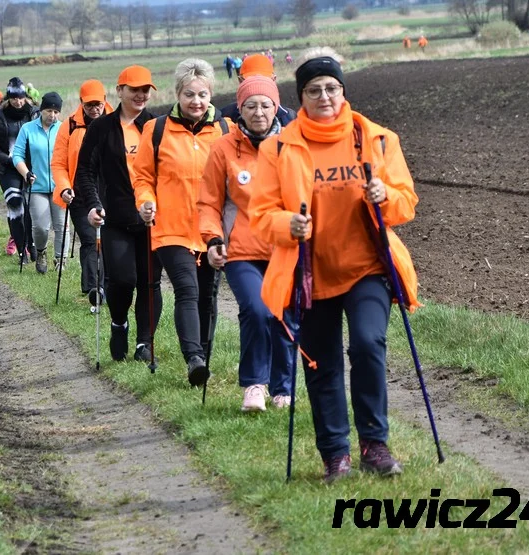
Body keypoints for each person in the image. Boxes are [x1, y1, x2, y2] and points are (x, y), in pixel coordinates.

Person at [249, 48, 420, 482]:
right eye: (314, 90)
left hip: (367, 268)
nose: (324, 96)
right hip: (311, 272)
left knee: (367, 345)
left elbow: (406, 202)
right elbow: (261, 215)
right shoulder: (279, 147)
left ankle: (374, 445)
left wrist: (387, 198)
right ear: (300, 96)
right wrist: (288, 223)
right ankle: (335, 455)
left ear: (343, 90)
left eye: (331, 88)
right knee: (321, 364)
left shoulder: (376, 138)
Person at [133, 58, 233, 386]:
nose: (196, 102)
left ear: (211, 95)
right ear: (178, 94)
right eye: (189, 94)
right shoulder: (157, 129)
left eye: (203, 95)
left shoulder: (225, 130)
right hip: (170, 228)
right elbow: (144, 177)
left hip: (211, 229)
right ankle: (193, 357)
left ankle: (203, 358)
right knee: (186, 289)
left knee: (207, 295)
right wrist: (146, 202)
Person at [198, 75, 293, 412]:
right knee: (256, 310)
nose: (258, 111)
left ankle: (284, 387)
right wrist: (212, 239)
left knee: (283, 315)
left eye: (265, 105)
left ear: (276, 107)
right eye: (250, 105)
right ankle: (254, 385)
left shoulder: (292, 145)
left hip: (285, 246)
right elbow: (209, 201)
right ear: (240, 109)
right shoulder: (224, 148)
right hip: (241, 249)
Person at [78, 66, 163, 362]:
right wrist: (92, 204)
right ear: (120, 91)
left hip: (151, 220)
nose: (140, 95)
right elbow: (85, 172)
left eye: (145, 90)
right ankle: (119, 324)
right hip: (115, 218)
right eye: (134, 89)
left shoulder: (157, 126)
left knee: (150, 282)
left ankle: (144, 343)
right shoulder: (101, 128)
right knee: (123, 280)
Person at [52, 78, 113, 282]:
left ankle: (108, 285)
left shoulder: (118, 122)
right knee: (89, 239)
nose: (94, 109)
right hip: (79, 195)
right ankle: (93, 288)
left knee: (107, 241)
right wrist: (64, 188)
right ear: (81, 102)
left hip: (110, 192)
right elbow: (59, 163)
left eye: (98, 104)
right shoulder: (69, 126)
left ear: (105, 100)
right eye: (89, 105)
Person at [12, 91, 68, 275]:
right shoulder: (27, 129)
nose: (52, 115)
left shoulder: (64, 129)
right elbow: (17, 155)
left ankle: (61, 260)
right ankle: (42, 252)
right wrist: (26, 173)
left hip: (60, 186)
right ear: (42, 109)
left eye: (56, 112)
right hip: (36, 187)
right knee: (41, 227)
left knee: (62, 226)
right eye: (49, 110)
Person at [0, 77, 38, 263]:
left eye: (21, 97)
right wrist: (5, 158)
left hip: (29, 166)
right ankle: (22, 249)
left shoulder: (33, 114)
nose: (18, 101)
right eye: (14, 98)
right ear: (9, 97)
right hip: (7, 168)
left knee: (30, 207)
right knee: (15, 205)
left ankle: (32, 244)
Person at [220, 53, 297, 126]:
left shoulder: (289, 118)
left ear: (274, 80)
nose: (257, 83)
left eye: (263, 80)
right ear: (240, 81)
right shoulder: (225, 118)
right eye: (251, 80)